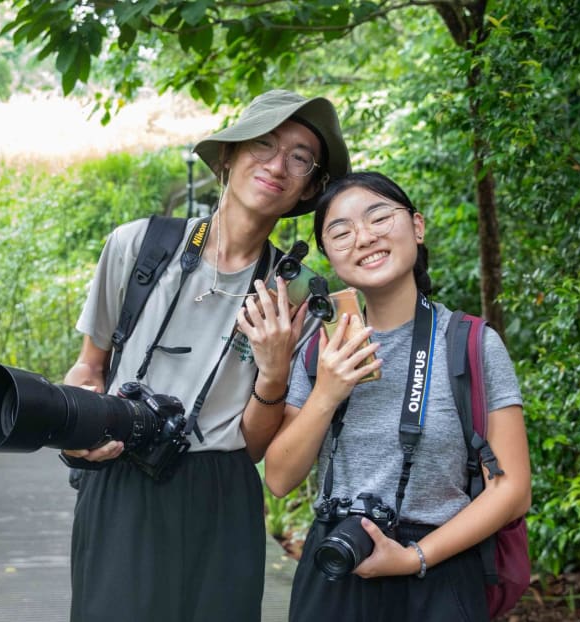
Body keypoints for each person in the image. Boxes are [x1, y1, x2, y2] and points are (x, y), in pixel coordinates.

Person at [60, 89, 351, 622]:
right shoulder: (138, 246)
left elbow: (256, 446)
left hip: (224, 492)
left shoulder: (298, 293)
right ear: (227, 157)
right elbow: (89, 367)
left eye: (300, 157)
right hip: (121, 480)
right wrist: (77, 429)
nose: (277, 165)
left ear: (307, 189)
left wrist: (275, 369)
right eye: (262, 144)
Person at [264, 171, 531, 621]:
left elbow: (512, 490)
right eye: (341, 231)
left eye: (379, 217)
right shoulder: (318, 349)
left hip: (440, 571)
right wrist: (327, 393)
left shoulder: (469, 343)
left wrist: (414, 557)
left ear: (417, 226)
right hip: (337, 566)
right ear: (328, 254)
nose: (364, 237)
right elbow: (279, 477)